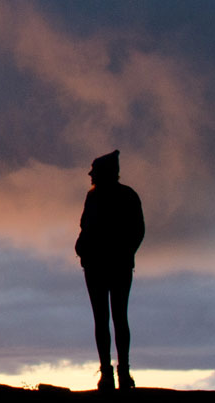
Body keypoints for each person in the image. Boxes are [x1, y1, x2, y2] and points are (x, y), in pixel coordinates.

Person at [75, 150, 145, 390]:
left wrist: (124, 253)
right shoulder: (103, 197)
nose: (91, 176)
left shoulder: (109, 197)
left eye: (94, 172)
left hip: (108, 264)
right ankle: (114, 372)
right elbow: (137, 231)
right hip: (106, 264)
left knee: (110, 318)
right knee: (111, 318)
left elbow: (137, 231)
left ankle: (115, 373)